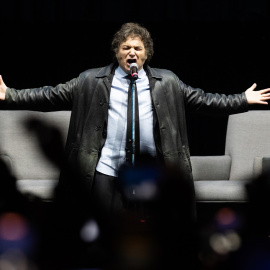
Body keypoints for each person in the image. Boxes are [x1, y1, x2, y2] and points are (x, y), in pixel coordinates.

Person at [0, 22, 270, 217]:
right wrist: (9, 95)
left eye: (137, 48)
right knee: (105, 233)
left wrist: (242, 100)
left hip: (152, 172)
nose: (132, 52)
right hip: (106, 170)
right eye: (126, 47)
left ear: (146, 53)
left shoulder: (168, 82)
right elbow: (48, 95)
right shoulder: (89, 81)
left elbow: (206, 101)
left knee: (153, 236)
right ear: (117, 51)